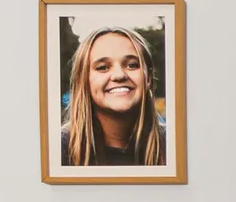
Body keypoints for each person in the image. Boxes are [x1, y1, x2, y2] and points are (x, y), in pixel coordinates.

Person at [61, 27, 165, 166]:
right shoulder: (57, 149)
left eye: (132, 65)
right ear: (83, 80)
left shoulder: (175, 144)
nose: (119, 75)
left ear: (149, 78)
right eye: (102, 67)